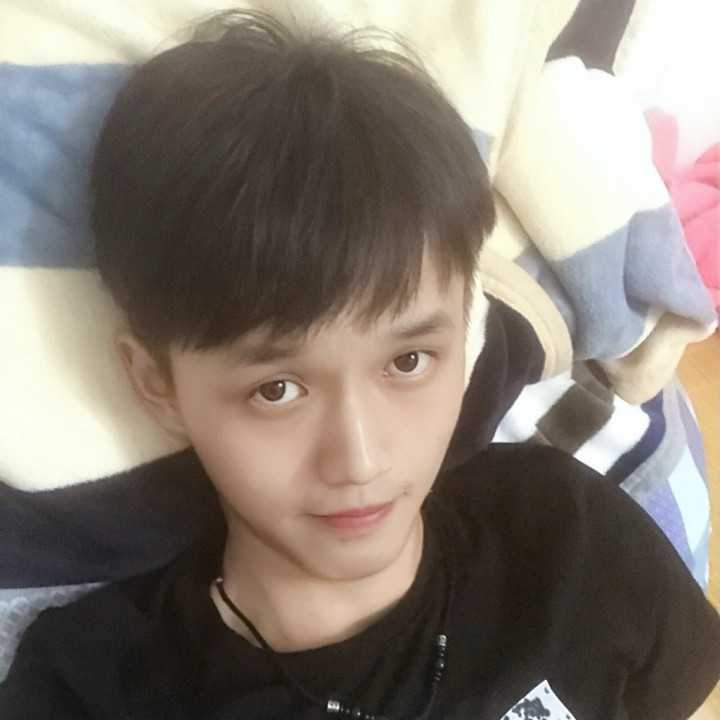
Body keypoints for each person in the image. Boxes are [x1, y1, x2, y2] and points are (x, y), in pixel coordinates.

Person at [1, 10, 718, 720]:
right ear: (157, 384)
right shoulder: (92, 688)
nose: (361, 459)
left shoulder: (565, 540)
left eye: (408, 361)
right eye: (276, 389)